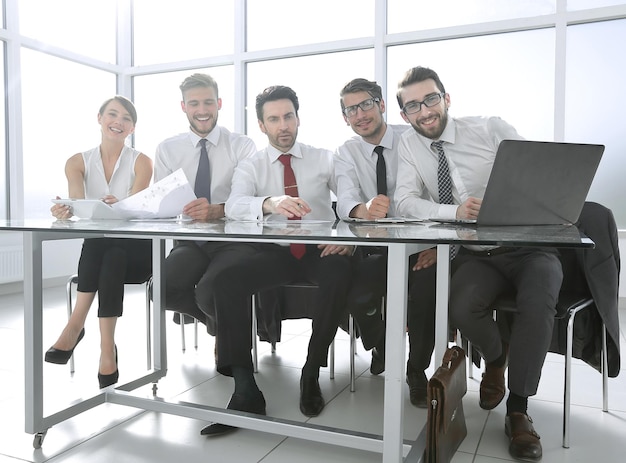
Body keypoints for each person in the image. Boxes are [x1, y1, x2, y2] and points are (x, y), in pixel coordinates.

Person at [395, 66, 563, 461]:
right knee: (460, 306)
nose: (425, 111)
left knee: (538, 302)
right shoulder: (409, 145)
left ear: (446, 99)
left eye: (431, 99)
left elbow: (539, 171)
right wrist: (454, 211)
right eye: (414, 105)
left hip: (528, 247)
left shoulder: (489, 128)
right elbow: (404, 202)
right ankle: (495, 358)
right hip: (476, 252)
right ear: (405, 115)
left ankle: (518, 410)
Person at [199, 85, 354, 436]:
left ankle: (311, 370)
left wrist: (349, 242)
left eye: (288, 116)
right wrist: (269, 202)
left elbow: (347, 199)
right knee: (227, 281)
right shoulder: (251, 165)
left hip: (319, 249)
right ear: (261, 125)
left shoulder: (324, 158)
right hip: (275, 251)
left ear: (298, 118)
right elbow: (235, 205)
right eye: (274, 119)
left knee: (339, 272)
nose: (283, 125)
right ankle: (244, 388)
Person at [45, 95, 153, 389]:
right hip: (107, 253)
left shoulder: (142, 162)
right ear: (99, 118)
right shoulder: (76, 162)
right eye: (113, 115)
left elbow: (137, 209)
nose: (118, 122)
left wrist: (119, 206)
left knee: (107, 245)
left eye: (126, 119)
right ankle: (108, 348)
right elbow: (80, 205)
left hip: (138, 251)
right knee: (109, 251)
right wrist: (65, 211)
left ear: (132, 128)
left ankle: (75, 324)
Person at [334, 77, 437, 380]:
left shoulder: (414, 138)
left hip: (421, 247)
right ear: (345, 118)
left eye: (366, 104)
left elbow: (441, 195)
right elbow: (345, 198)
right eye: (351, 110)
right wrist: (361, 211)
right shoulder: (347, 152)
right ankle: (380, 344)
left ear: (381, 105)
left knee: (423, 296)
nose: (360, 115)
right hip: (378, 248)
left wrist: (435, 246)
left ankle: (416, 372)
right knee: (356, 294)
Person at [154, 73, 257, 333]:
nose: (202, 110)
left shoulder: (242, 145)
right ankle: (219, 329)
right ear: (183, 107)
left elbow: (251, 197)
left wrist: (219, 210)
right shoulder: (167, 149)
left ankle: (227, 339)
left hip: (231, 240)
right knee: (161, 290)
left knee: (211, 291)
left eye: (208, 103)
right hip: (190, 240)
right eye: (194, 103)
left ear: (219, 103)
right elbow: (162, 204)